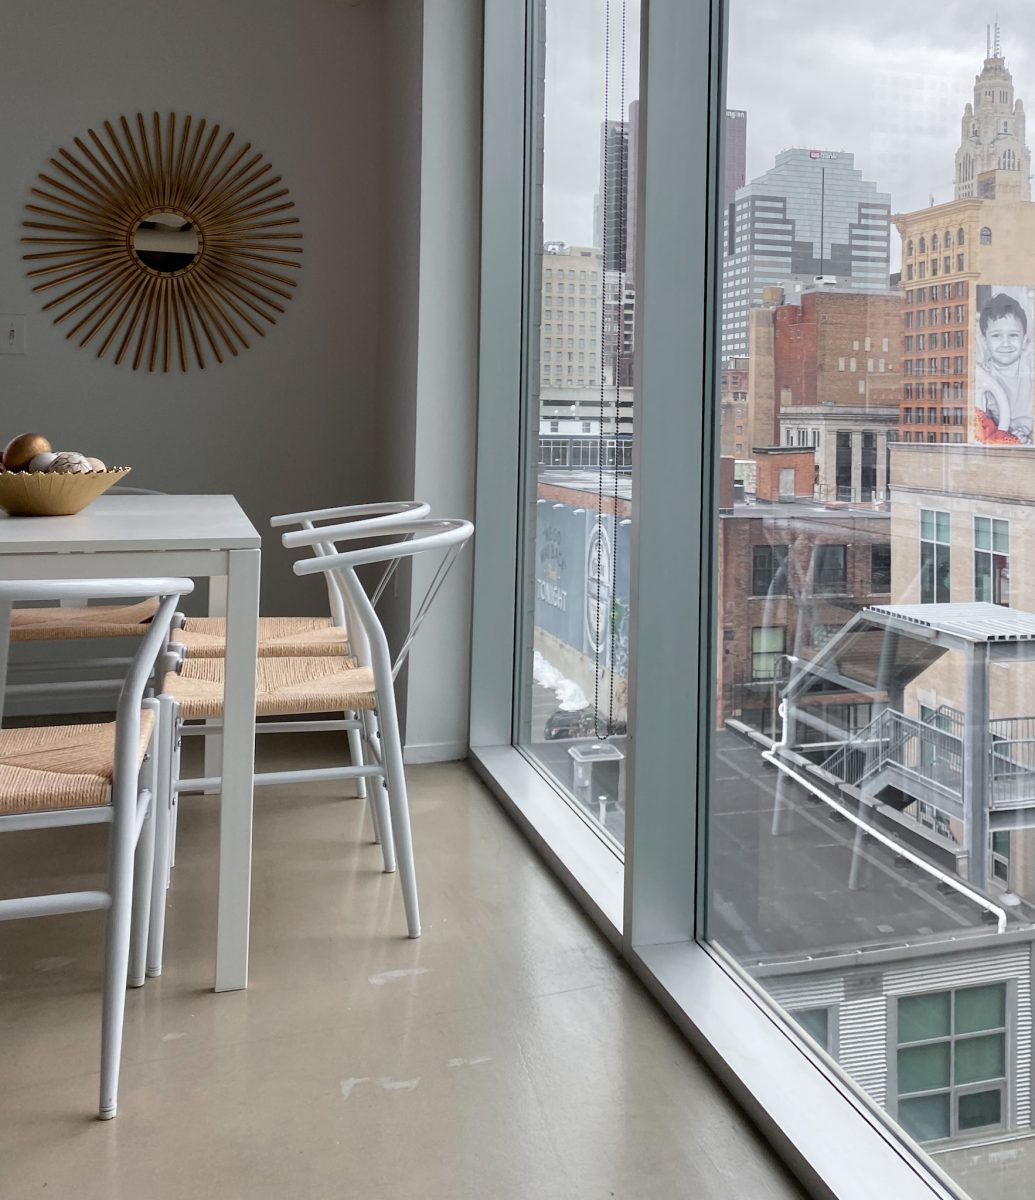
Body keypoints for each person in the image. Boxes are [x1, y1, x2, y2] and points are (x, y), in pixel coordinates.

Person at [976, 291, 1033, 444]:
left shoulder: (1030, 366)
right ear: (984, 340)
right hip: (1002, 442)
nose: (1005, 343)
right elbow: (982, 425)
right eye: (996, 336)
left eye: (1013, 335)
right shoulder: (982, 376)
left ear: (1024, 339)